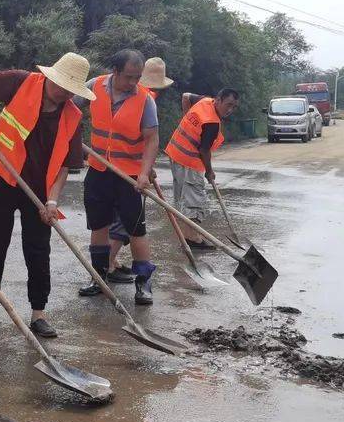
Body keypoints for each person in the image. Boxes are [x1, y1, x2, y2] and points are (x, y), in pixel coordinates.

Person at [0, 53, 94, 338]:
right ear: (50, 76)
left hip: (38, 191)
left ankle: (39, 313)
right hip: (2, 176)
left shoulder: (72, 116)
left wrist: (52, 201)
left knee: (37, 250)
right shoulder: (21, 82)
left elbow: (64, 166)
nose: (62, 92)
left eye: (69, 89)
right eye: (60, 84)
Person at [78, 49, 160, 305]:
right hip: (99, 170)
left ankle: (143, 282)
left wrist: (144, 173)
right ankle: (99, 278)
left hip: (130, 176)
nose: (134, 82)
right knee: (98, 225)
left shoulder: (145, 100)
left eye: (138, 77)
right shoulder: (94, 86)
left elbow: (152, 139)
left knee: (136, 229)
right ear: (115, 71)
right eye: (129, 77)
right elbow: (70, 110)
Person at [108, 56, 173, 282]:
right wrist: (144, 170)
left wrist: (148, 168)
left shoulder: (142, 95)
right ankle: (108, 264)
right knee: (125, 223)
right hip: (123, 170)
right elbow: (142, 138)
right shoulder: (144, 96)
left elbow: (147, 141)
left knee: (124, 222)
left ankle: (110, 262)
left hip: (132, 168)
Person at [164, 88, 241, 245]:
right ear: (218, 100)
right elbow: (204, 150)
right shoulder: (212, 122)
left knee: (182, 197)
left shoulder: (204, 100)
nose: (230, 110)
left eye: (234, 107)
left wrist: (186, 118)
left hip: (175, 153)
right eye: (228, 105)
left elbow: (185, 96)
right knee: (195, 199)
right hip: (189, 161)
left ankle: (186, 235)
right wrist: (209, 171)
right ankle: (192, 238)